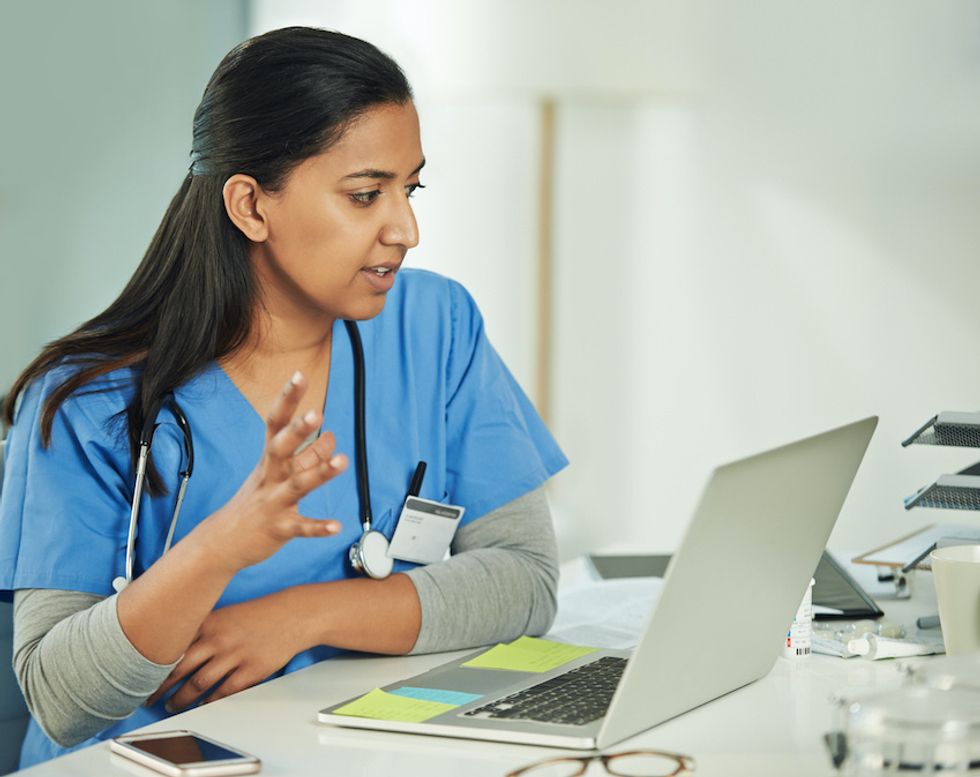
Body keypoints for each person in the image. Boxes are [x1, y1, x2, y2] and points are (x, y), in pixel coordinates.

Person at [0, 27, 566, 768]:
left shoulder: (436, 327)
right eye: (366, 194)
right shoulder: (86, 401)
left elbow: (524, 579)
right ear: (250, 207)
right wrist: (221, 547)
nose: (407, 229)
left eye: (410, 188)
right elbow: (59, 697)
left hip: (353, 749)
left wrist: (298, 615)